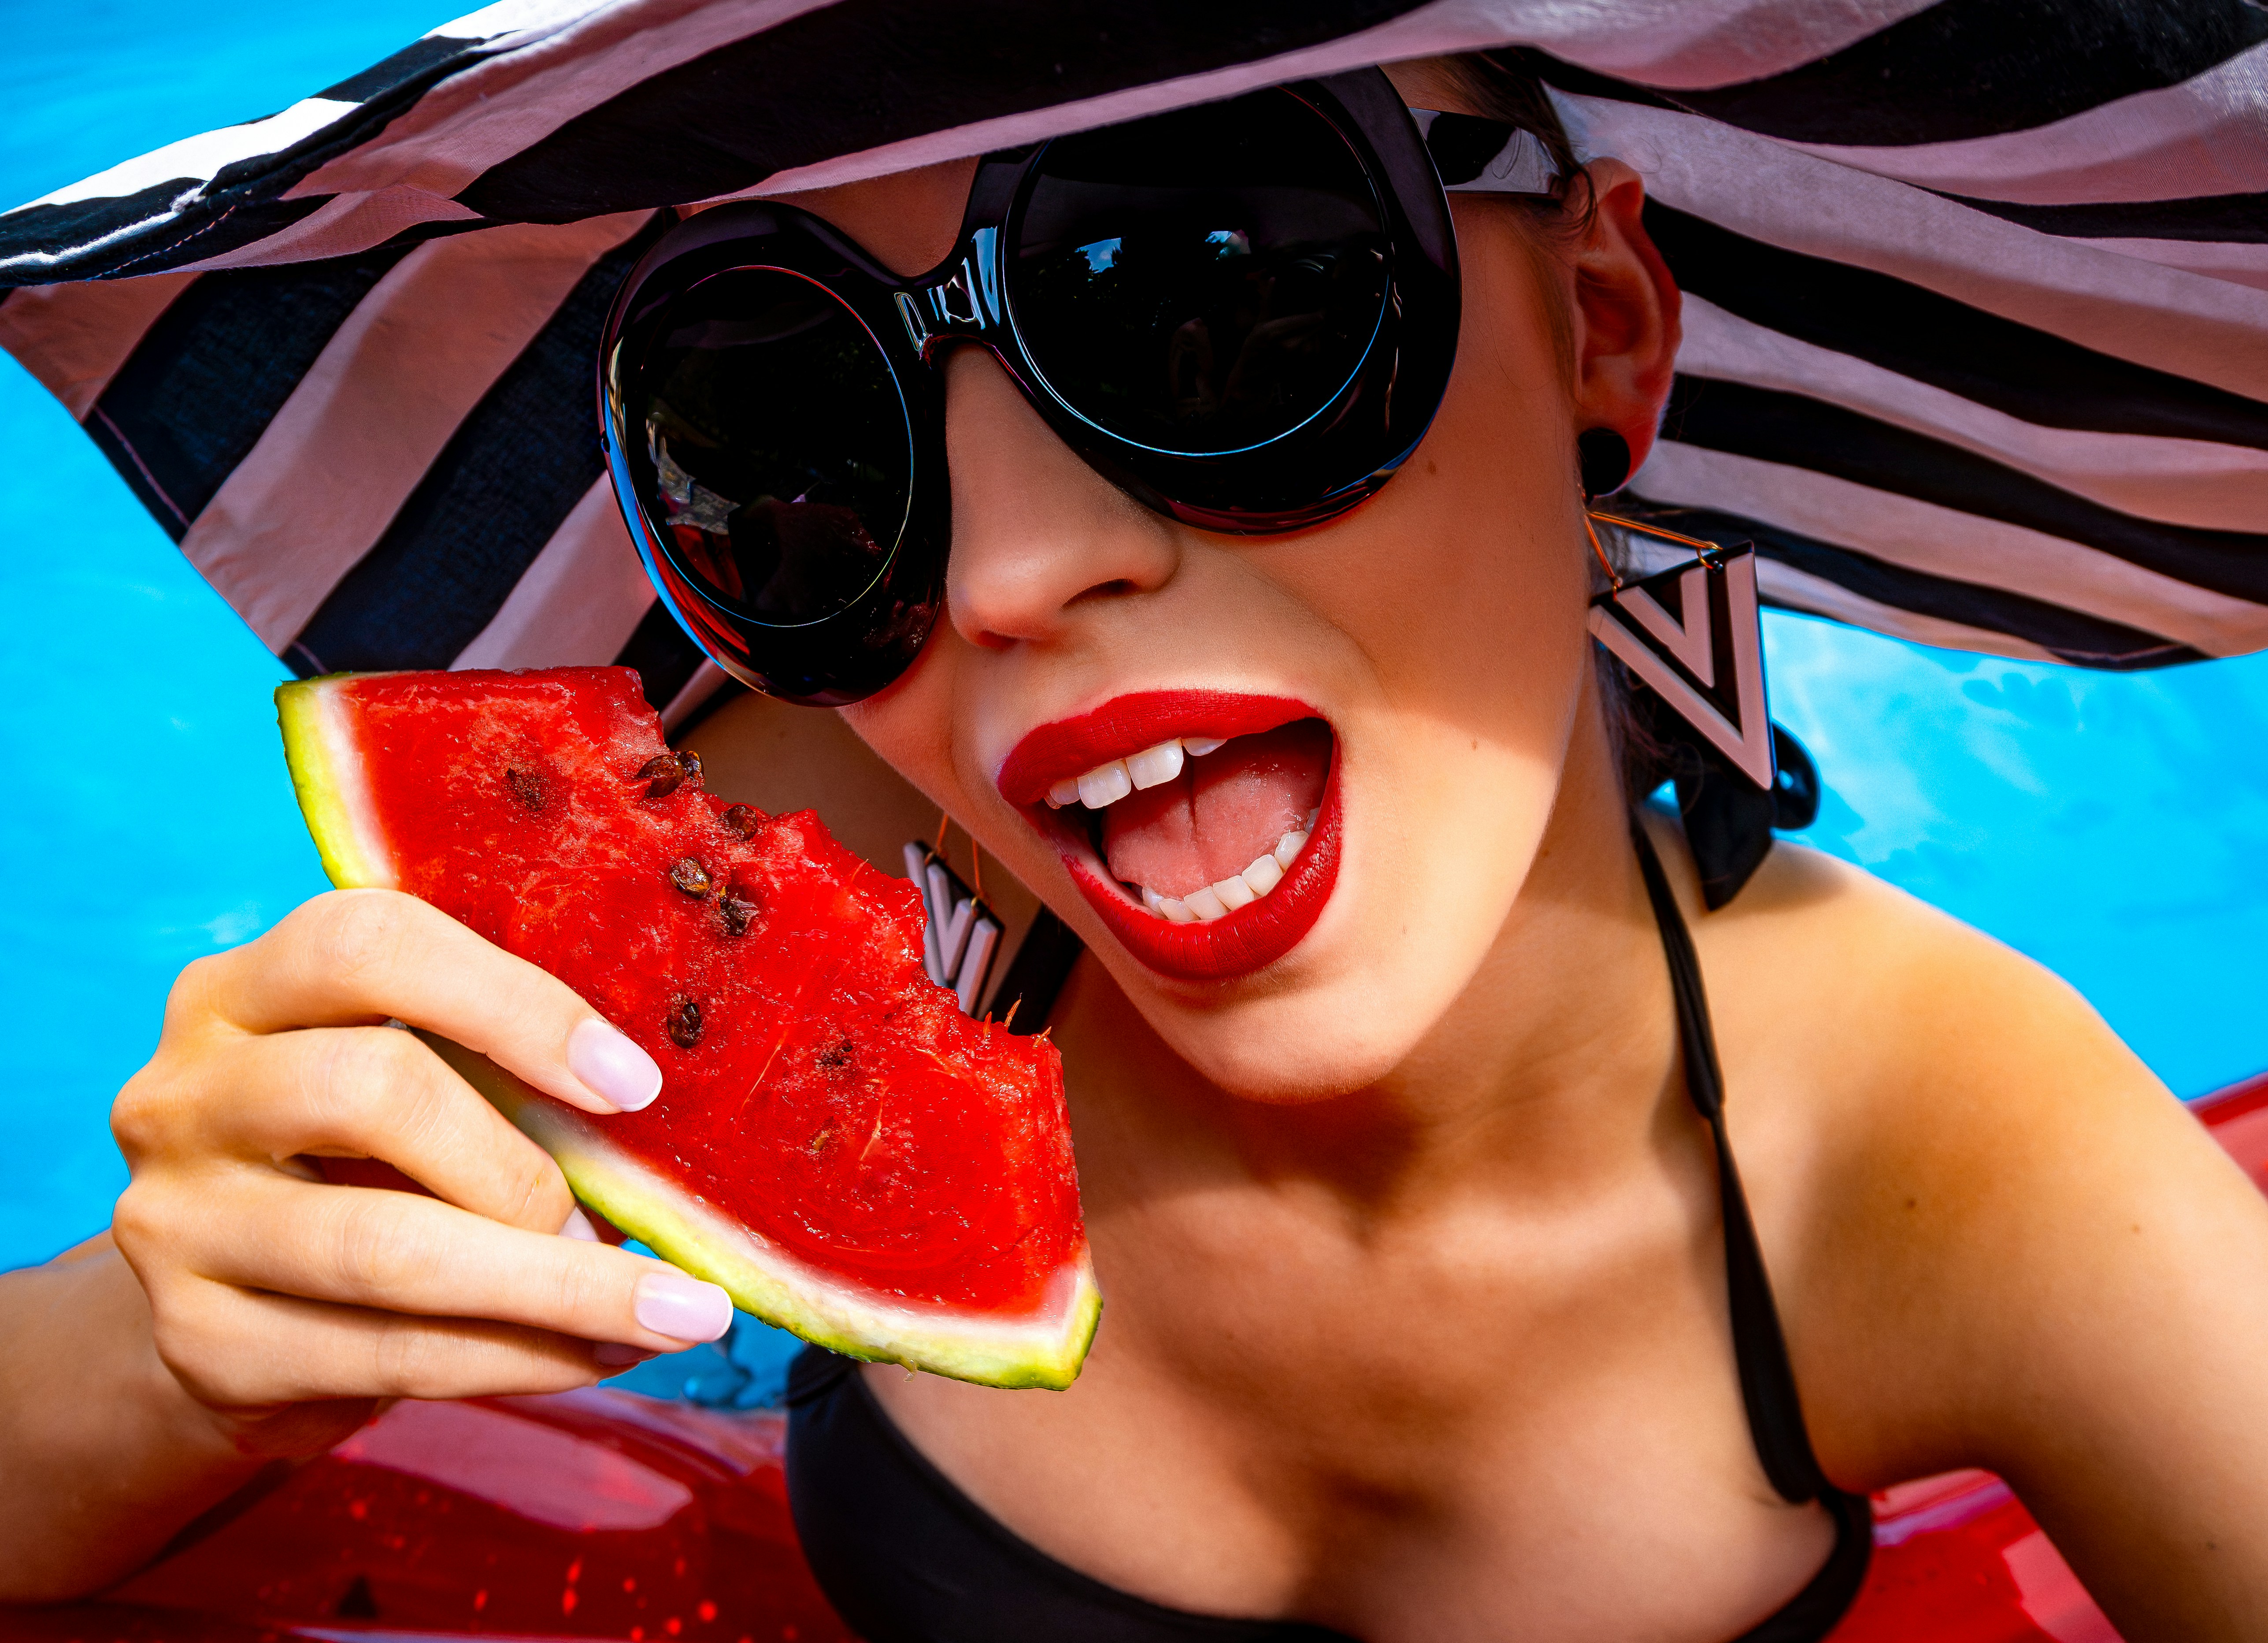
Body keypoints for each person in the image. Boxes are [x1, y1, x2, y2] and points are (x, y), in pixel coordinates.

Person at [4, 42, 2267, 1643]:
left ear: (1602, 322)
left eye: (1210, 299)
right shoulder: (778, 860)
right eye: (793, 433)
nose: (1009, 577)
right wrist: (176, 1340)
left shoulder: (1943, 1156)